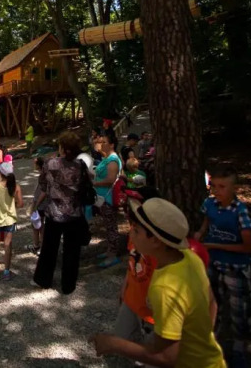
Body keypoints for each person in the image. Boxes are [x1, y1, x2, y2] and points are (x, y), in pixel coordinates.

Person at [90, 198, 225, 368]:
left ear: (155, 240)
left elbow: (166, 358)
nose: (130, 235)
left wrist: (114, 344)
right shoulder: (190, 257)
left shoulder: (163, 288)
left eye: (136, 231)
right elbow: (212, 302)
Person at [193, 165, 251, 366]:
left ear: (234, 188)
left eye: (222, 187)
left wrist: (214, 245)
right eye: (214, 186)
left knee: (239, 308)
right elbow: (207, 222)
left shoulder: (240, 211)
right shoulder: (209, 204)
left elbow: (248, 247)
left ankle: (239, 346)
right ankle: (213, 342)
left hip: (235, 267)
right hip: (213, 263)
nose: (216, 191)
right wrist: (200, 233)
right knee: (213, 303)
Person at [32, 131, 84, 294]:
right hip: (74, 212)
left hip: (54, 212)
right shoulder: (80, 165)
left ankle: (44, 279)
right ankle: (68, 285)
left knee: (49, 247)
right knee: (72, 250)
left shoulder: (51, 163)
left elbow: (42, 183)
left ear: (62, 147)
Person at [113, 197, 158, 361]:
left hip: (151, 307)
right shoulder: (135, 231)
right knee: (122, 336)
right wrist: (124, 285)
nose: (131, 233)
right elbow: (132, 261)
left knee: (153, 350)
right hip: (132, 297)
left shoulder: (158, 245)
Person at [93, 133, 123, 268]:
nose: (101, 144)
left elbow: (111, 179)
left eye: (104, 142)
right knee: (108, 224)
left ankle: (113, 255)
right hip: (102, 198)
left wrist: (94, 183)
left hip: (108, 198)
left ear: (112, 144)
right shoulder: (107, 158)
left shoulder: (113, 159)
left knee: (111, 226)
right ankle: (110, 250)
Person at [26, 157, 47, 256]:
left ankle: (42, 247)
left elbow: (44, 192)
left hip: (41, 204)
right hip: (40, 203)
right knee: (36, 225)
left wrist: (36, 203)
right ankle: (36, 245)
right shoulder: (43, 174)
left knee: (40, 225)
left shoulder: (44, 176)